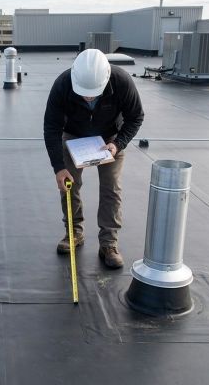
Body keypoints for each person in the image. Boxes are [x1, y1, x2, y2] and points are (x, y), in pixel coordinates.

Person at [43, 49, 144, 268]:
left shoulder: (122, 82)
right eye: (84, 93)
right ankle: (74, 233)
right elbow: (51, 128)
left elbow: (136, 117)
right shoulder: (62, 84)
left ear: (106, 79)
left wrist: (117, 144)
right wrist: (59, 168)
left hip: (110, 138)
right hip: (73, 135)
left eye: (93, 93)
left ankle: (109, 243)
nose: (89, 97)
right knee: (69, 185)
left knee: (111, 187)